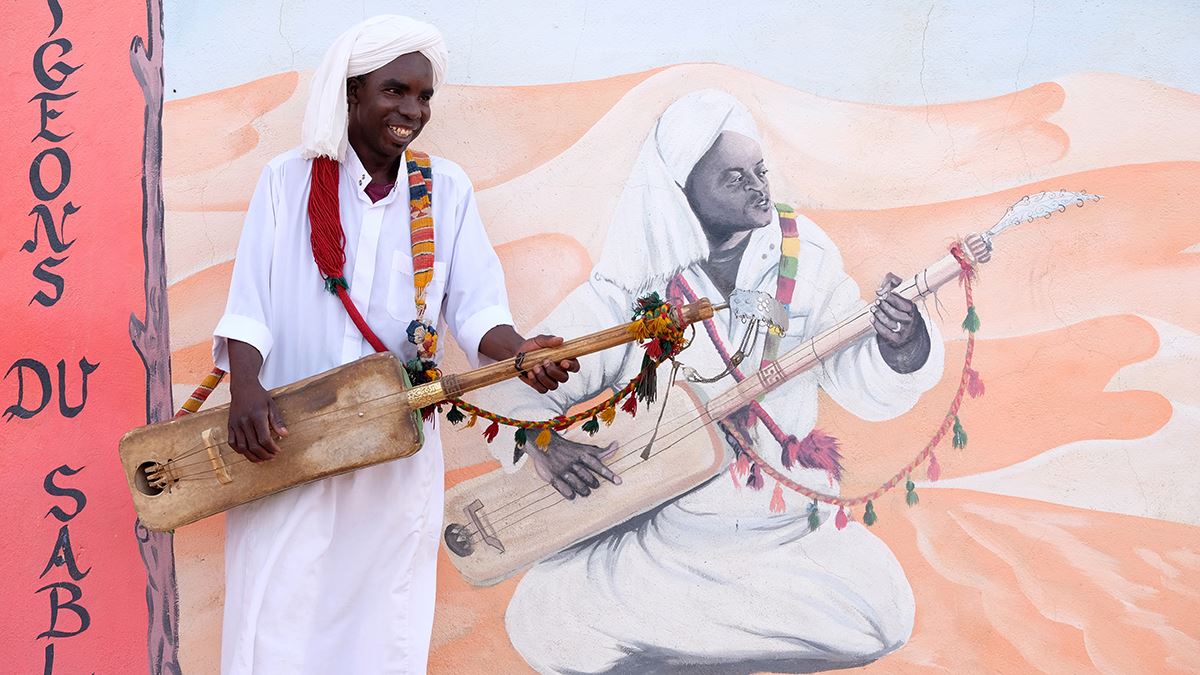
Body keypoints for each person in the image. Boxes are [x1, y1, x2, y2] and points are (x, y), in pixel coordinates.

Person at [481, 90, 945, 673]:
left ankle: (692, 645)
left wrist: (899, 343)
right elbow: (516, 383)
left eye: (760, 171)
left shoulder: (806, 257)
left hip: (786, 532)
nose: (758, 188)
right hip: (669, 540)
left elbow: (855, 378)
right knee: (542, 619)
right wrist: (541, 445)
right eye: (734, 178)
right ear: (684, 196)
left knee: (885, 610)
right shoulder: (633, 288)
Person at [211, 16, 577, 674]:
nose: (412, 110)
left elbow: (477, 311)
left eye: (424, 96)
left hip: (396, 451)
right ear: (351, 94)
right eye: (394, 91)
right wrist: (245, 389)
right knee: (279, 611)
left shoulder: (445, 191)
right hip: (288, 443)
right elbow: (251, 305)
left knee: (384, 621)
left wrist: (521, 351)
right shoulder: (286, 182)